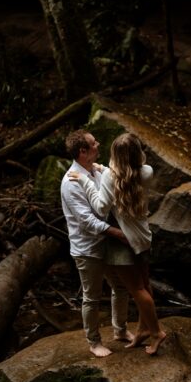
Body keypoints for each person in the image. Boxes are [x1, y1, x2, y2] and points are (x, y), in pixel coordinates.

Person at [74, 132, 166, 354]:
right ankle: (144, 329)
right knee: (145, 284)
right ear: (138, 153)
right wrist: (104, 170)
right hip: (144, 237)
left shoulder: (110, 179)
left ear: (116, 155)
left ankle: (156, 333)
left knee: (136, 289)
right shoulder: (146, 172)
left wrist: (86, 180)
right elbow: (126, 173)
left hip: (125, 241)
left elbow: (101, 208)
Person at [60, 129, 135, 357]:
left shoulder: (96, 170)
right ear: (83, 151)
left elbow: (108, 196)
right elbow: (87, 221)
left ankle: (120, 330)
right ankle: (94, 342)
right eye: (94, 143)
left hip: (106, 243)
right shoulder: (71, 182)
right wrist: (119, 233)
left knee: (120, 287)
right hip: (87, 248)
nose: (98, 144)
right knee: (92, 297)